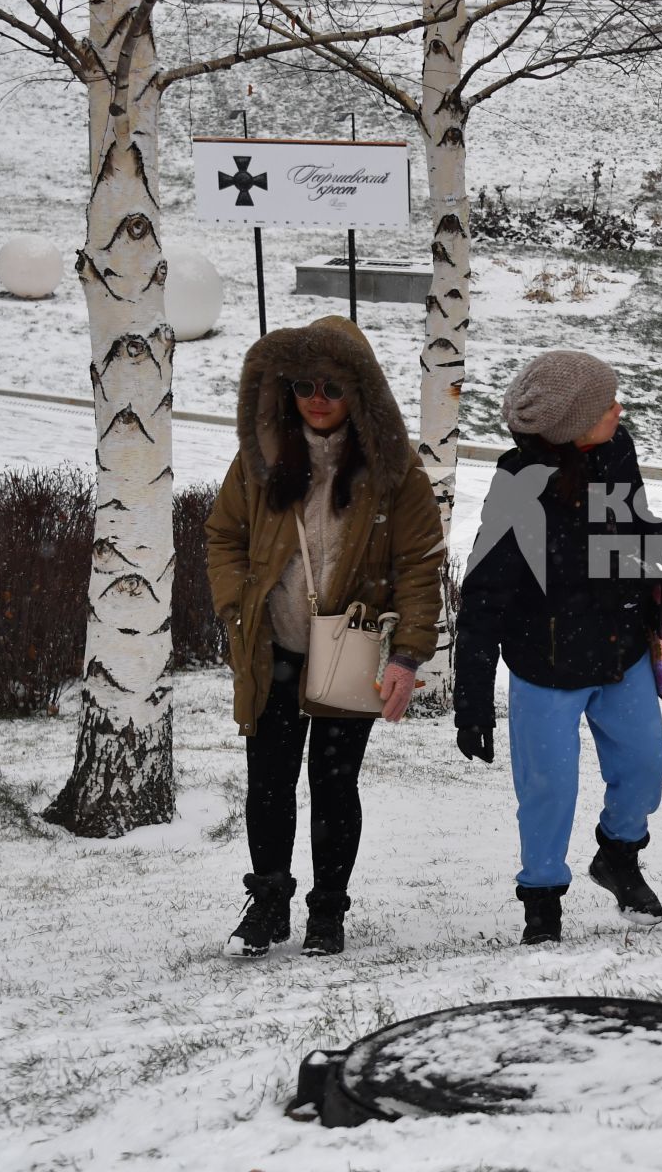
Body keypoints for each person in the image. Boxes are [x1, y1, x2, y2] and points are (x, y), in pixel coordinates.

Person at [206, 316, 446, 959]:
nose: (317, 397)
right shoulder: (261, 459)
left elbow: (421, 564)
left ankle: (327, 913)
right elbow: (223, 535)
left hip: (351, 649)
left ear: (359, 393)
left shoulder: (395, 472)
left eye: (333, 386)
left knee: (335, 785)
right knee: (269, 780)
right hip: (274, 650)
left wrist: (408, 654)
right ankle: (268, 903)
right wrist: (236, 604)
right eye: (304, 384)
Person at [456, 352, 662, 945]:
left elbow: (630, 525)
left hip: (621, 652)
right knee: (548, 789)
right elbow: (482, 596)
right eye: (607, 405)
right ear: (571, 424)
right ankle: (542, 900)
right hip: (545, 664)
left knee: (645, 767)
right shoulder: (518, 484)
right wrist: (473, 700)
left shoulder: (617, 451)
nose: (620, 410)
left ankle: (618, 855)